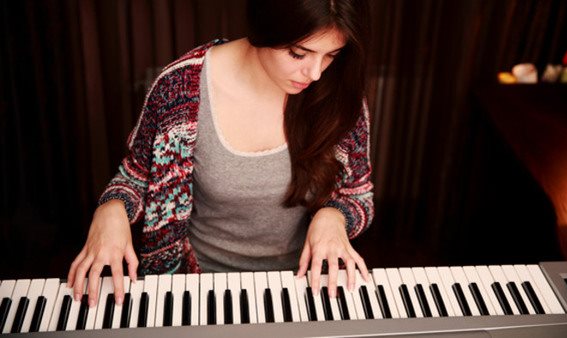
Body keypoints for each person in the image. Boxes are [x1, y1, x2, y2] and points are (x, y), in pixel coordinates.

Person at [68, 0, 374, 308]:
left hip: (303, 285)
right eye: (298, 53)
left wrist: (335, 215)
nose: (316, 73)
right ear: (263, 29)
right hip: (198, 285)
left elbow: (358, 195)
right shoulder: (179, 89)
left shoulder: (338, 93)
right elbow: (135, 178)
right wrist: (110, 209)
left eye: (331, 55)